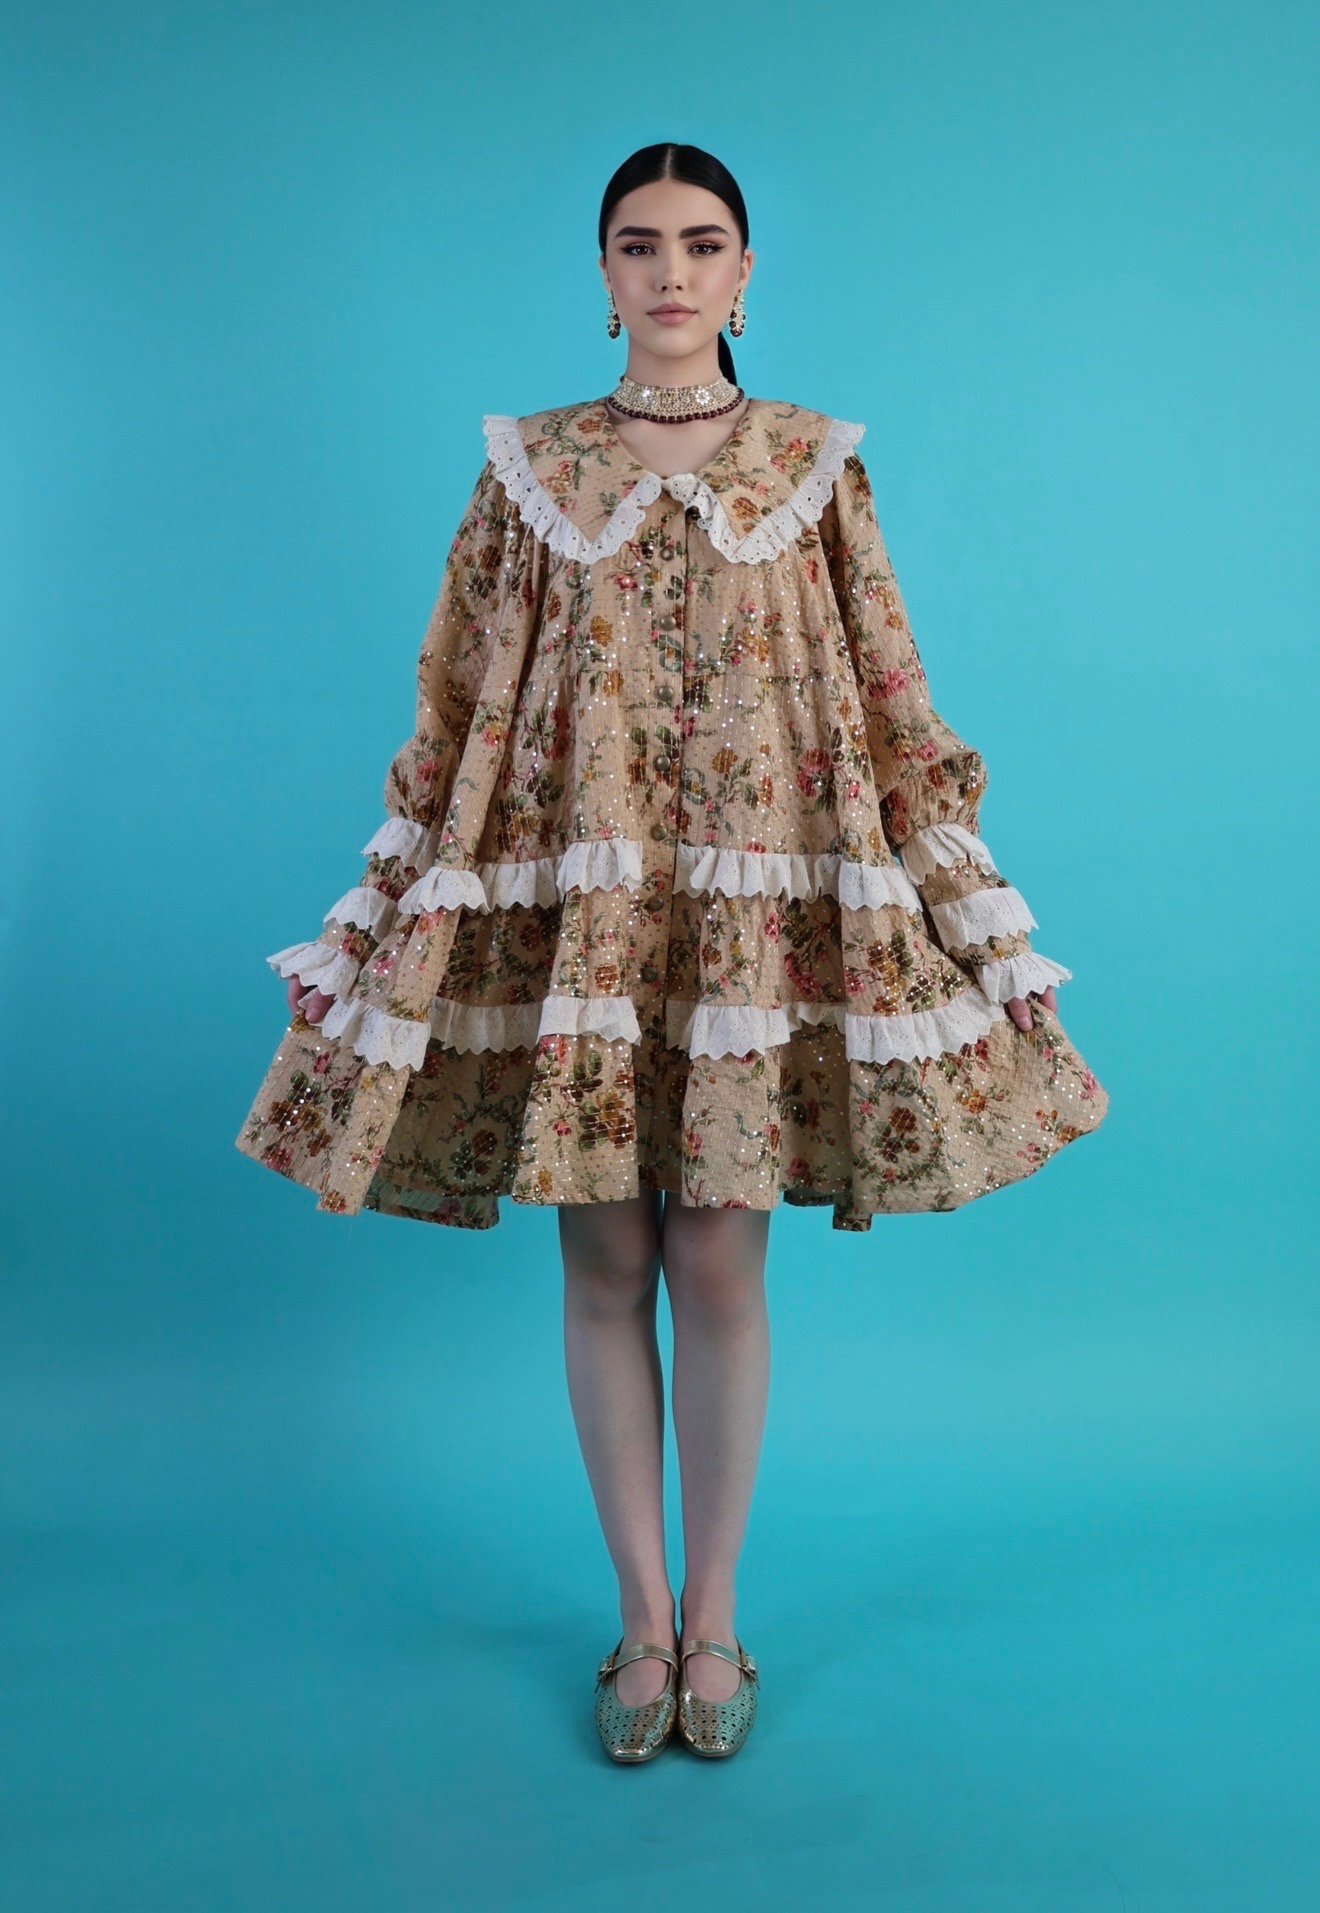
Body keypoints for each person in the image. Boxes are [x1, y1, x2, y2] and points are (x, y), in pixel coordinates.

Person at [235, 142, 1109, 1764]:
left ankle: (718, 1613)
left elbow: (888, 687)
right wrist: (394, 897)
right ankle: (639, 1616)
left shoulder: (813, 465)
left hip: (748, 920)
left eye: (703, 245)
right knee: (603, 1260)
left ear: (747, 273)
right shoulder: (530, 469)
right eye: (639, 246)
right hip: (584, 906)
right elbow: (456, 698)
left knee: (716, 1255)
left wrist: (956, 890)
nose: (671, 273)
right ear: (602, 274)